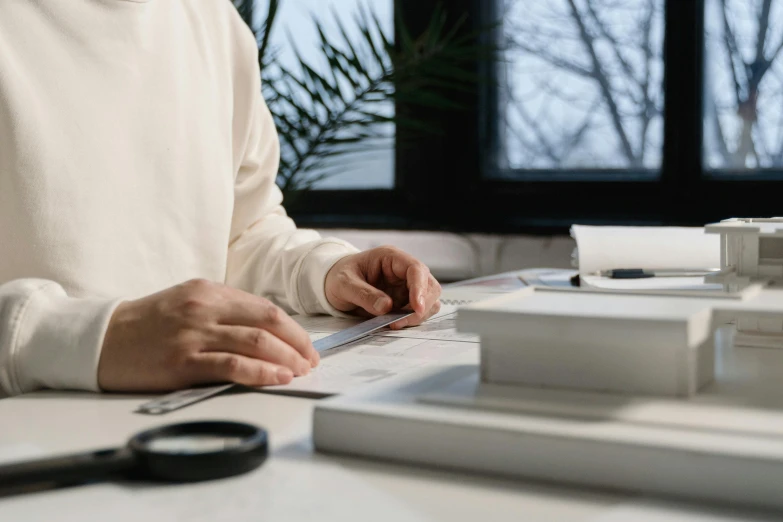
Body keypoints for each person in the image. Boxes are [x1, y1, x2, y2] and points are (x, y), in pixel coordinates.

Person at [0, 1, 441, 397]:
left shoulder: (215, 20)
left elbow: (242, 232)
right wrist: (88, 339)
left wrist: (324, 271)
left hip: (194, 418)